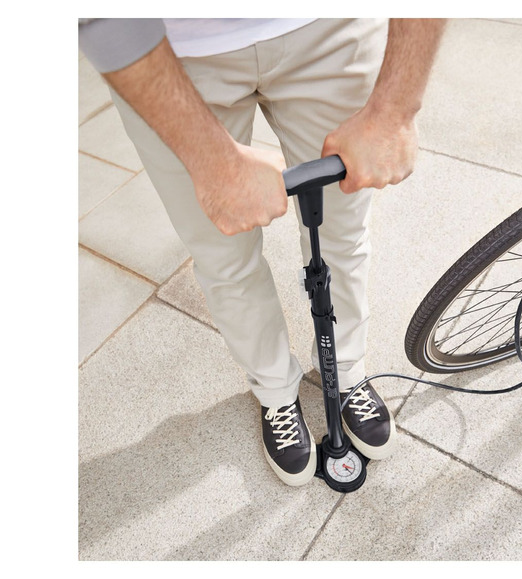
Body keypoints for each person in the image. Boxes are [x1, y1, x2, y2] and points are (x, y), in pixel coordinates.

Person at [78, 18, 446, 486]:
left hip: (329, 28)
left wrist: (396, 108)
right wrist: (213, 160)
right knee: (223, 255)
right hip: (169, 57)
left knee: (343, 233)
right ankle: (275, 391)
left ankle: (346, 367)